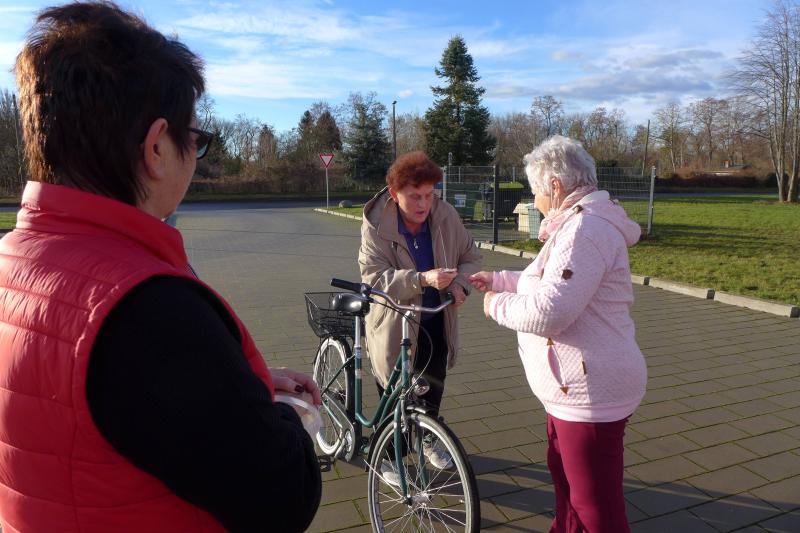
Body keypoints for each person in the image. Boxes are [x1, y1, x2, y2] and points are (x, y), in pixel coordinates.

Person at [0, 3, 321, 532]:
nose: (195, 154)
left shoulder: (12, 258)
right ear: (156, 148)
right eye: (195, 139)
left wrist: (240, 386)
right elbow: (284, 496)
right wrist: (285, 413)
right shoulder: (147, 310)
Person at [469, 135, 647, 533]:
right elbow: (549, 280)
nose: (535, 202)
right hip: (572, 389)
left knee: (596, 507)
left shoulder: (584, 230)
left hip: (590, 393)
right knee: (567, 484)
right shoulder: (577, 224)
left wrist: (496, 304)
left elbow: (551, 311)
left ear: (555, 186)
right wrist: (500, 279)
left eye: (535, 191)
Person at [359, 151, 481, 472]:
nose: (424, 203)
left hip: (436, 318)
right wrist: (421, 279)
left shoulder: (445, 215)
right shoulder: (376, 224)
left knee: (432, 387)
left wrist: (460, 285)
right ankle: (387, 456)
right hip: (394, 324)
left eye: (429, 194)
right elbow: (374, 278)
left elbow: (471, 256)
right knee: (395, 396)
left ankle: (427, 438)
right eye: (415, 196)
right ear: (394, 193)